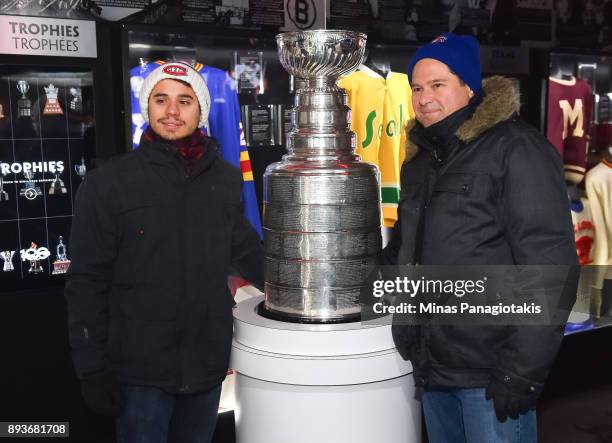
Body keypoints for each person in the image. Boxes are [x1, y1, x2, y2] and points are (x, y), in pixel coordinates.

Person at [382, 33, 578, 442]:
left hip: (491, 372)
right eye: (417, 88)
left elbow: (550, 267)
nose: (424, 98)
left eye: (438, 85)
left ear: (469, 87)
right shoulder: (420, 160)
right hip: (433, 366)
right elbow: (403, 248)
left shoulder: (516, 149)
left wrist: (522, 372)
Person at [65, 61, 264, 443]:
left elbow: (247, 251)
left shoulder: (223, 179)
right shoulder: (108, 184)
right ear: (148, 106)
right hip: (140, 375)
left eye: (185, 101)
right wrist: (90, 368)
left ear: (201, 110)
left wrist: (302, 287)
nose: (172, 111)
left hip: (207, 369)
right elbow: (86, 281)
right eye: (161, 99)